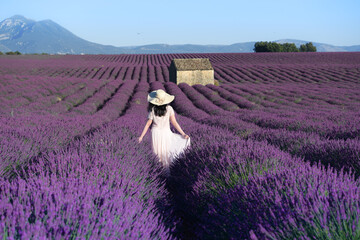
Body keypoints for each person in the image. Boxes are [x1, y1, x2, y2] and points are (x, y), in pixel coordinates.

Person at [138, 89, 190, 175]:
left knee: (157, 154)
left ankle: (157, 173)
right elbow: (174, 122)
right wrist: (183, 133)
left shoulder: (153, 110)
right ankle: (167, 174)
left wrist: (141, 137)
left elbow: (147, 125)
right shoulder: (169, 109)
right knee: (166, 152)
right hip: (166, 133)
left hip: (155, 134)